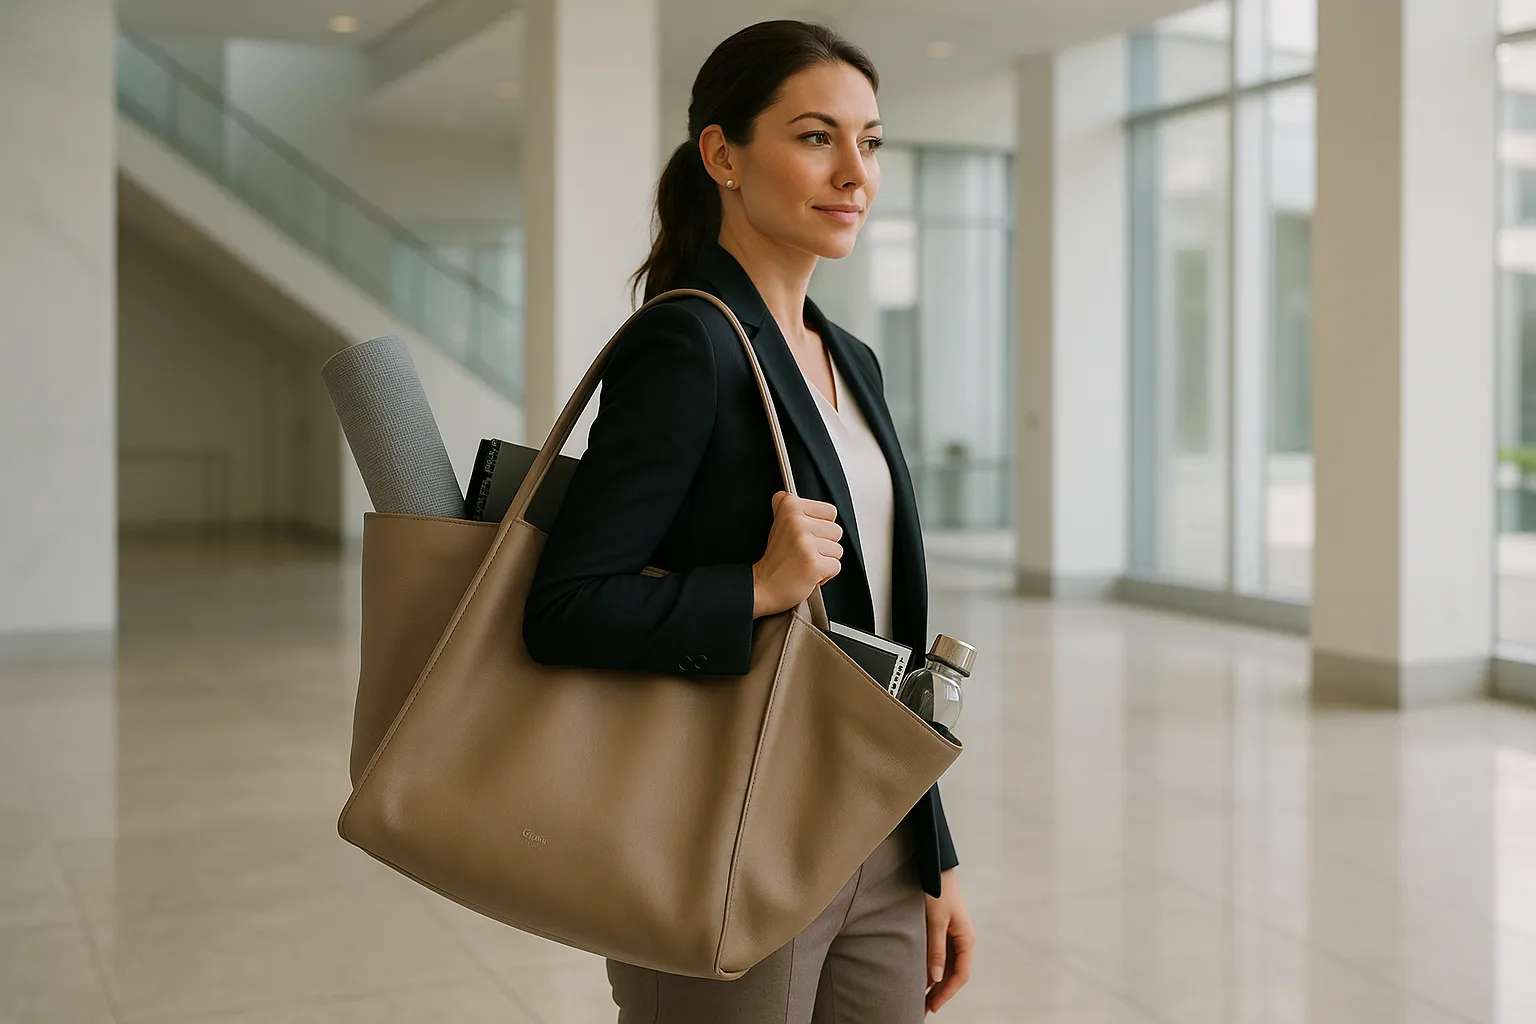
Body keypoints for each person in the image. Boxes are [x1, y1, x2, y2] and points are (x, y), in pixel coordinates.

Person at [522, 18, 975, 1022]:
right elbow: (564, 606)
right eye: (817, 137)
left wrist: (931, 854)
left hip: (877, 834)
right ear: (723, 155)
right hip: (727, 838)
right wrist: (758, 588)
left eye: (871, 141)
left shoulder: (851, 358)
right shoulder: (687, 341)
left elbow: (890, 638)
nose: (855, 171)